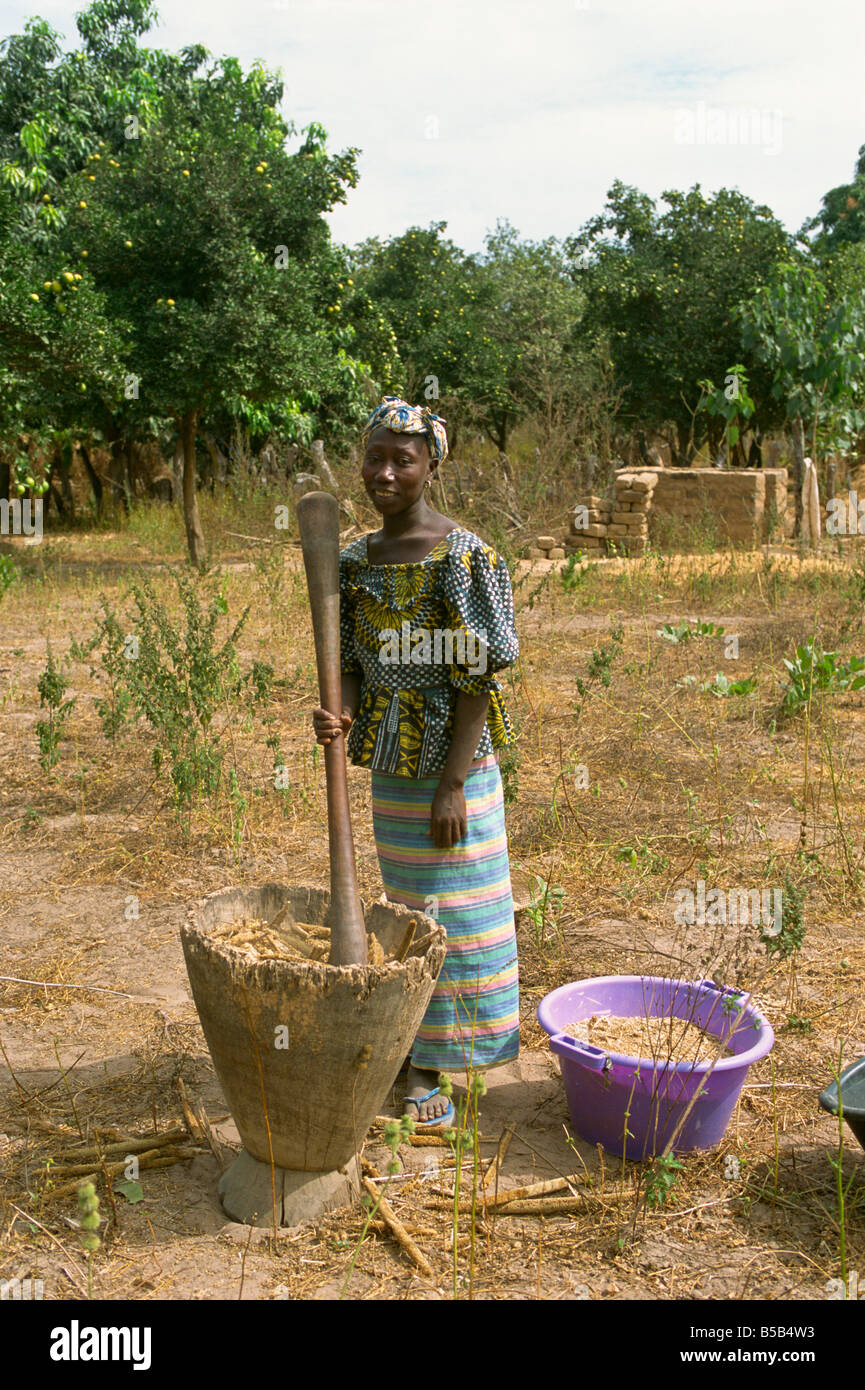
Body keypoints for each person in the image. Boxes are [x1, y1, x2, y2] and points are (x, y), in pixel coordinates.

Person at [312, 396, 521, 1125]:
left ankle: (435, 1064)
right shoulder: (352, 561)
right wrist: (336, 712)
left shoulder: (464, 557)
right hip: (390, 768)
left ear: (432, 465)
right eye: (374, 457)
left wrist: (453, 785)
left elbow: (476, 681)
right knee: (405, 913)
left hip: (449, 769)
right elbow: (352, 666)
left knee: (459, 916)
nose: (385, 472)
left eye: (403, 459)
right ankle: (411, 1045)